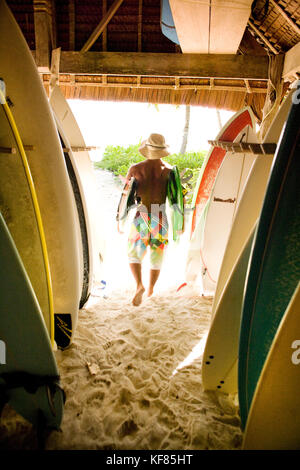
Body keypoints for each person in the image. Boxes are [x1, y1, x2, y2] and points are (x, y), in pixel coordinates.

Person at [124, 133, 173, 306]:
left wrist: (120, 219)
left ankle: (139, 285)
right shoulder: (169, 171)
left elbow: (126, 196)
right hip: (159, 216)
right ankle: (151, 289)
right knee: (157, 255)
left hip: (142, 214)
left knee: (134, 254)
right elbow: (176, 199)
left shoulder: (135, 169)